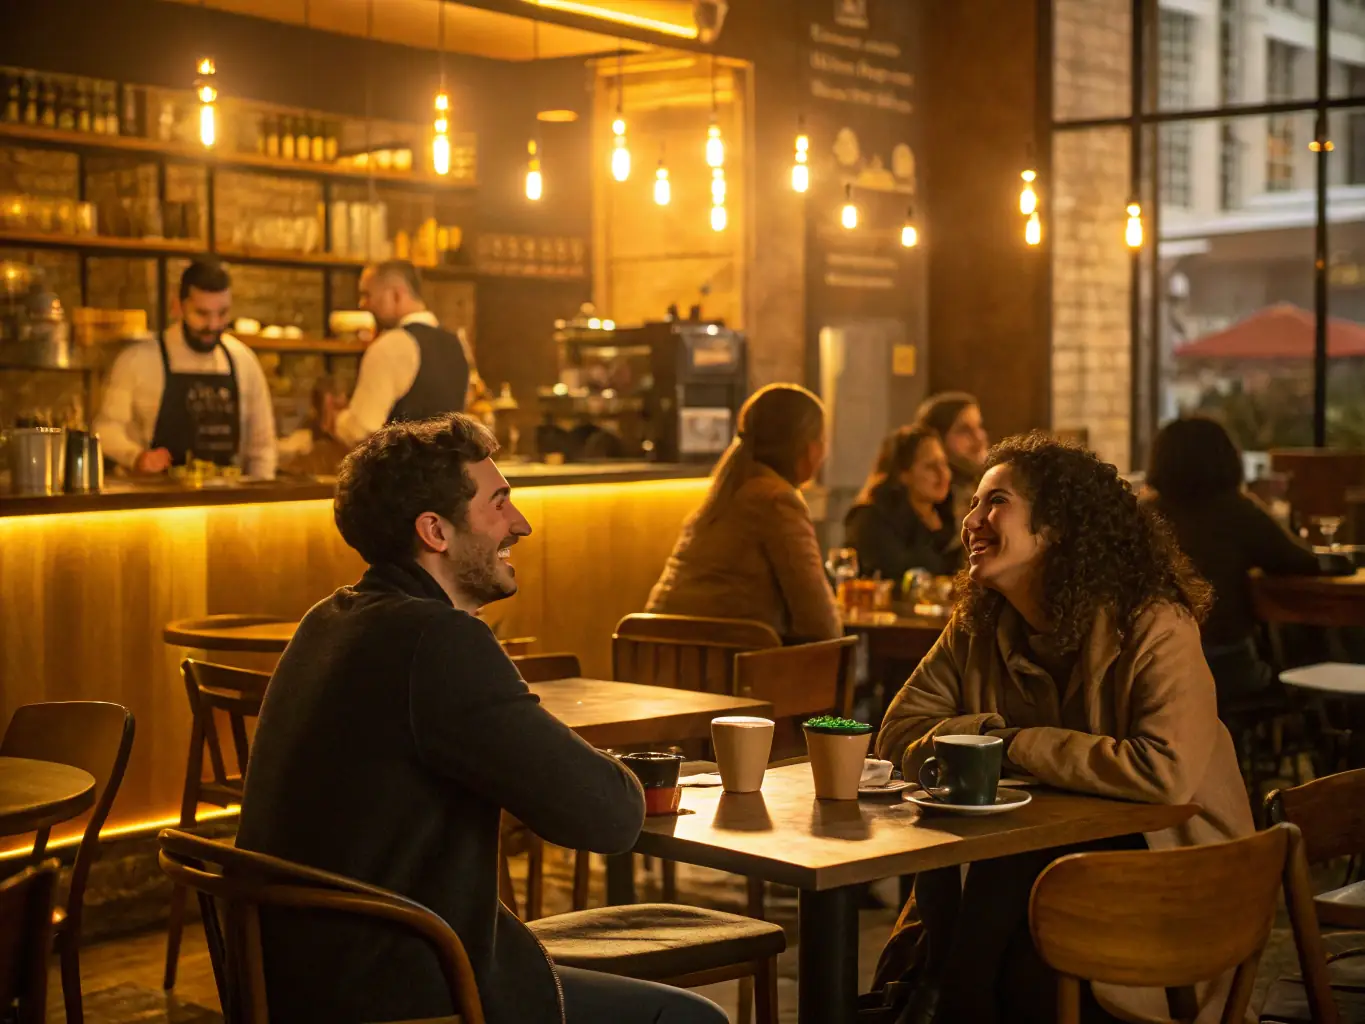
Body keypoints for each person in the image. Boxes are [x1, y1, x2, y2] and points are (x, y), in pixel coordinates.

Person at [235, 413, 726, 1024]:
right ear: (435, 531)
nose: (520, 525)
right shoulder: (437, 641)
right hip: (402, 993)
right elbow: (608, 817)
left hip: (302, 981)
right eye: (499, 504)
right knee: (690, 1019)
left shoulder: (331, 619)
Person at [873, 433, 1252, 1024]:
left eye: (995, 502)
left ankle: (942, 996)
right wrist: (992, 734)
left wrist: (1011, 745)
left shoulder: (1153, 624)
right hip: (1033, 886)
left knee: (1013, 885)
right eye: (973, 503)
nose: (971, 520)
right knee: (996, 866)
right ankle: (946, 994)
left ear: (1057, 525)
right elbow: (898, 731)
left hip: (1172, 888)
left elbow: (1165, 773)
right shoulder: (978, 625)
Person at [1145, 415, 1327, 706]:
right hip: (1223, 665)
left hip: (1151, 666)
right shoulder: (1237, 513)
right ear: (1227, 459)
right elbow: (1303, 562)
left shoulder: (1139, 515)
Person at [646, 383, 841, 642]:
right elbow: (820, 622)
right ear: (809, 448)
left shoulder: (726, 493)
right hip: (727, 669)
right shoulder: (776, 501)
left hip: (657, 659)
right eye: (824, 440)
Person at [93, 259, 276, 478]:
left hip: (227, 502)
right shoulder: (137, 360)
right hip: (156, 502)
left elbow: (262, 446)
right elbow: (104, 431)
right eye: (202, 313)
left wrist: (258, 497)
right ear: (178, 306)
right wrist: (136, 457)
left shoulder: (243, 361)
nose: (213, 325)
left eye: (222, 313)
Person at [322, 259, 484, 446]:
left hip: (400, 473)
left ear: (396, 295)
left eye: (368, 295)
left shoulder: (392, 345)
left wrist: (336, 419)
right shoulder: (457, 344)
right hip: (447, 472)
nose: (362, 304)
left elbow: (360, 429)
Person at [844, 424, 961, 582]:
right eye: (931, 466)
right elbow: (900, 576)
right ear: (903, 474)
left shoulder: (948, 518)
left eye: (944, 464)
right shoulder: (872, 518)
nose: (944, 474)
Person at [914, 391, 987, 522]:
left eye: (979, 426)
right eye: (964, 430)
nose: (979, 438)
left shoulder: (984, 487)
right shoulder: (927, 504)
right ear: (936, 440)